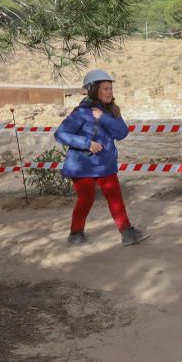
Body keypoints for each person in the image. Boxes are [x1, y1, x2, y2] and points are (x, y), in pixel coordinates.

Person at [54, 69, 148, 246]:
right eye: (105, 88)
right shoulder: (82, 112)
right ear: (93, 89)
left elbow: (122, 133)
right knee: (85, 200)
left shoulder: (112, 111)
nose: (109, 92)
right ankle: (76, 233)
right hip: (82, 166)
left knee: (115, 198)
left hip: (105, 164)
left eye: (111, 88)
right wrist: (86, 143)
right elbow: (60, 134)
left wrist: (103, 118)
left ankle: (127, 233)